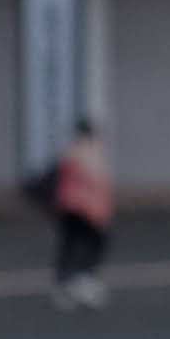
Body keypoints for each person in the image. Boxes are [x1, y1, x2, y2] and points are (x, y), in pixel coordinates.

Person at [45, 121, 114, 308]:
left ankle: (75, 281)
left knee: (78, 245)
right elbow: (94, 179)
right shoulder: (82, 151)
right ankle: (75, 282)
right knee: (85, 244)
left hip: (77, 208)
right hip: (80, 209)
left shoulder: (76, 150)